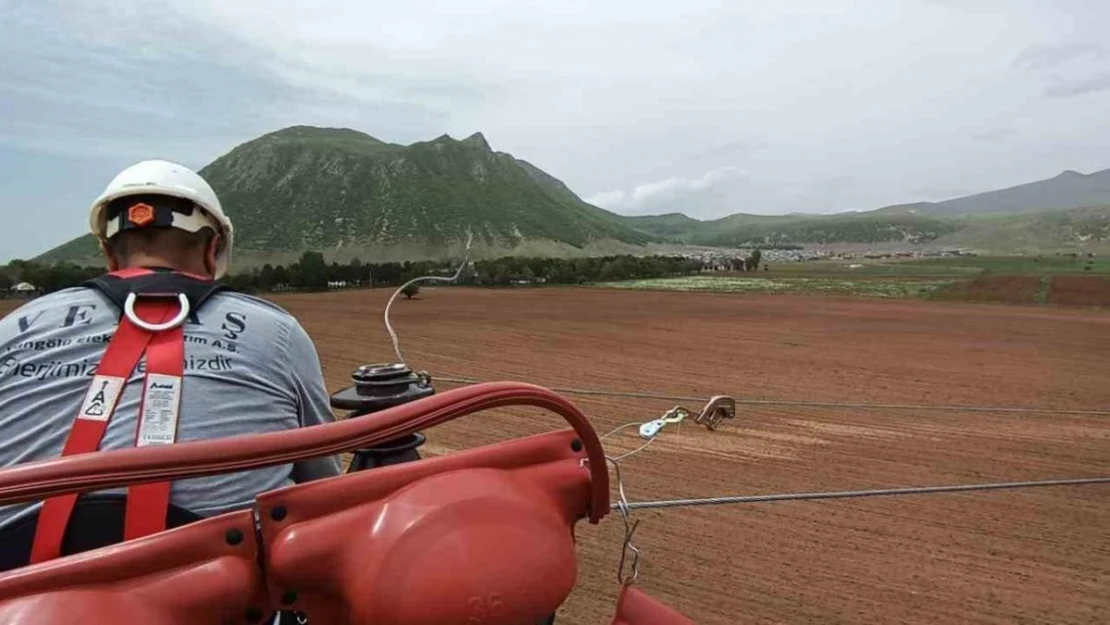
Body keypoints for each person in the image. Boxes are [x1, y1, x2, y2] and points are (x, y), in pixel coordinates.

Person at [0, 159, 342, 569]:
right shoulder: (276, 330)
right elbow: (322, 483)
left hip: (24, 590)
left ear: (109, 252)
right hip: (220, 593)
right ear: (213, 247)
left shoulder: (14, 328)